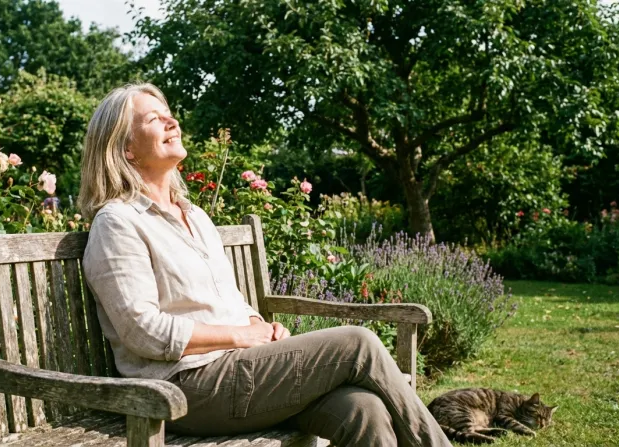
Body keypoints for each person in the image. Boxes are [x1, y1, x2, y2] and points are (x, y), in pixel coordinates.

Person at [79, 83, 452, 447]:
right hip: (182, 388)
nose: (172, 123)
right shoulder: (119, 222)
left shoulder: (195, 216)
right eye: (154, 120)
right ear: (126, 149)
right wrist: (240, 335)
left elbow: (228, 299)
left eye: (170, 116)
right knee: (358, 344)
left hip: (240, 371)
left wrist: (257, 324)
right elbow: (143, 330)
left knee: (362, 409)